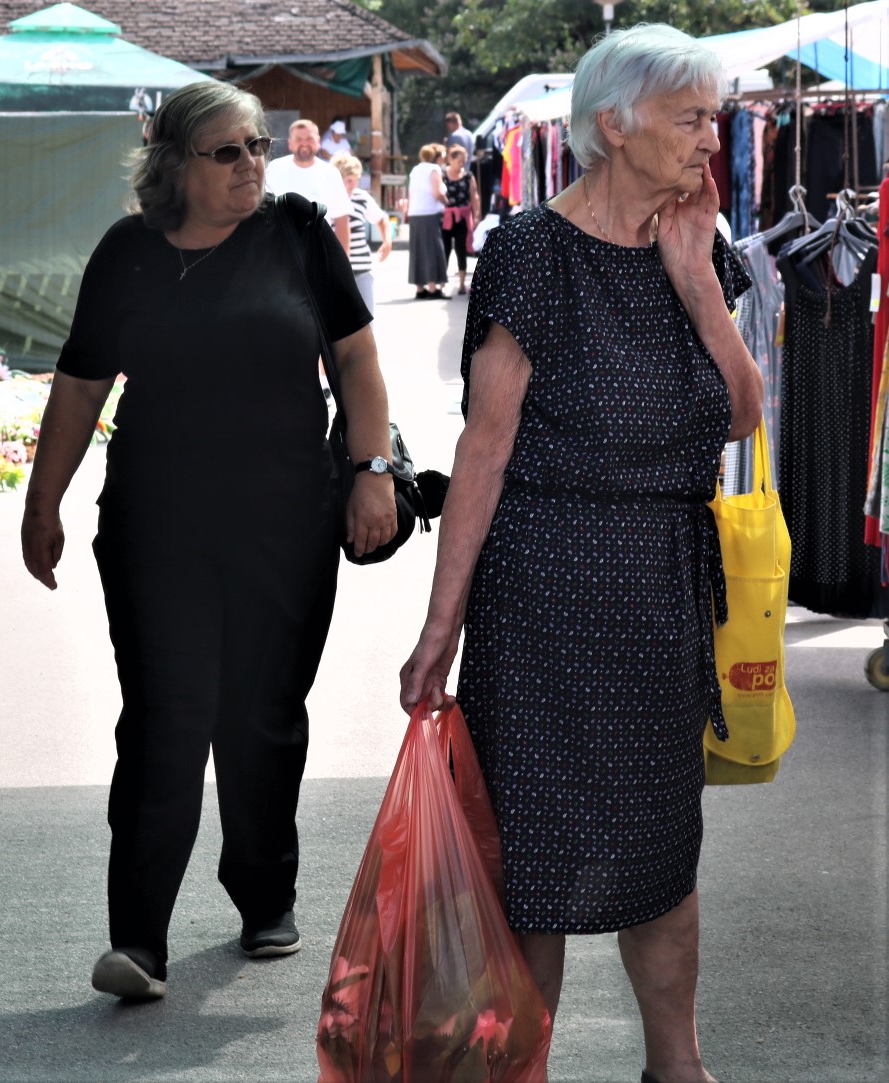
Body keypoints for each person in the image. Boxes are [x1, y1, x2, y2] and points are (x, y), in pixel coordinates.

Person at [398, 23, 763, 1083]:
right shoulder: (529, 249)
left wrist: (697, 283)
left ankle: (676, 1067)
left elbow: (742, 418)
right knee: (536, 862)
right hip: (545, 592)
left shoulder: (703, 242)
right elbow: (486, 446)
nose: (713, 137)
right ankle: (524, 1067)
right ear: (615, 124)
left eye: (714, 114)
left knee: (662, 852)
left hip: (658, 591)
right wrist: (439, 628)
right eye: (692, 116)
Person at [22, 79, 397, 1001]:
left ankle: (263, 892)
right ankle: (137, 937)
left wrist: (372, 469)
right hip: (157, 523)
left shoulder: (298, 234)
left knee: (262, 710)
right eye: (226, 151)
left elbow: (353, 357)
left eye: (256, 147)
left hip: (287, 518)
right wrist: (44, 502)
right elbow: (79, 384)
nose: (249, 167)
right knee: (164, 714)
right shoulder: (128, 253)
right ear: (174, 164)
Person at [266, 118, 352, 253]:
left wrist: (344, 265)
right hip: (279, 253)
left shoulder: (330, 173)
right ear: (290, 143)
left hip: (318, 253)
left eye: (309, 139)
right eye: (298, 139)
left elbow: (341, 220)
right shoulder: (274, 169)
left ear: (318, 142)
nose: (304, 143)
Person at [331, 153, 391, 311]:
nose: (353, 185)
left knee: (368, 320)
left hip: (362, 269)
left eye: (356, 179)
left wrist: (387, 242)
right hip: (334, 272)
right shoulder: (326, 199)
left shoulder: (361, 197)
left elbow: (381, 219)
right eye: (349, 180)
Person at [404, 144, 448, 299]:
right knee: (432, 249)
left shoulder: (415, 169)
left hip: (415, 212)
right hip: (430, 212)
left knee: (418, 249)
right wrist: (446, 202)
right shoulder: (434, 169)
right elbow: (437, 193)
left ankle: (419, 287)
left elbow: (410, 192)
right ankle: (432, 287)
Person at [440, 145, 479, 296]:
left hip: (462, 217)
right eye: (459, 161)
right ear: (451, 159)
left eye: (464, 161)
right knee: (445, 249)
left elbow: (474, 196)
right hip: (446, 218)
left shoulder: (468, 176)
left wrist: (476, 215)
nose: (462, 164)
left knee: (461, 250)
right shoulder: (442, 175)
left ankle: (462, 284)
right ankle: (442, 282)